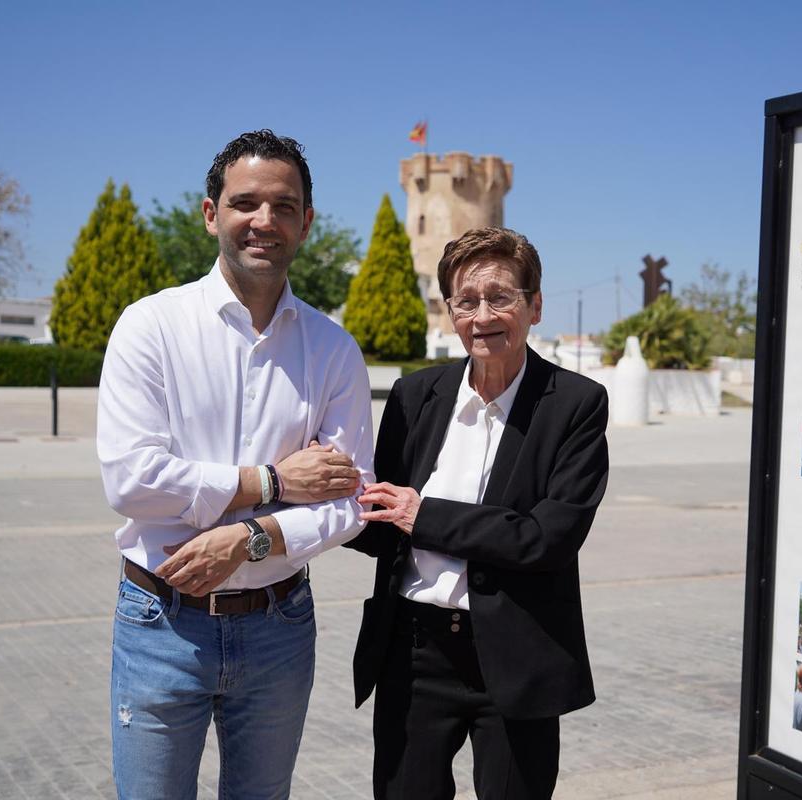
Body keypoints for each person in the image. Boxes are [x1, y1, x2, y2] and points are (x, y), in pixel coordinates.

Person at [96, 130, 374, 798]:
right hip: (161, 621)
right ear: (210, 213)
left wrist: (252, 536)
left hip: (279, 626)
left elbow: (348, 500)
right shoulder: (151, 327)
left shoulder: (332, 350)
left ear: (306, 222)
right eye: (245, 201)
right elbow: (132, 480)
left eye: (284, 206)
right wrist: (272, 483)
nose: (264, 220)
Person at [347, 227, 609, 799]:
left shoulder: (575, 404)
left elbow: (547, 538)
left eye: (501, 298)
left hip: (517, 655)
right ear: (449, 311)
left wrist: (426, 516)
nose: (482, 315)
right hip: (415, 654)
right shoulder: (415, 395)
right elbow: (381, 522)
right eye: (466, 301)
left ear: (534, 306)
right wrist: (330, 490)